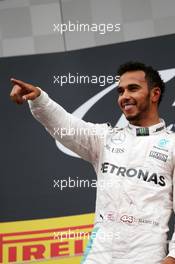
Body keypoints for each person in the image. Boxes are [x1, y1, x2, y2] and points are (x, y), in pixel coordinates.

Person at [10, 62, 175, 264]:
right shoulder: (105, 138)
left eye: (133, 88)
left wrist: (173, 257)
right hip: (99, 253)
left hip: (146, 255)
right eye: (120, 91)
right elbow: (66, 126)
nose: (124, 96)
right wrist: (39, 98)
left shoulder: (172, 145)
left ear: (155, 94)